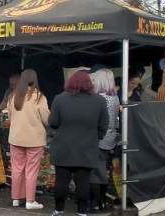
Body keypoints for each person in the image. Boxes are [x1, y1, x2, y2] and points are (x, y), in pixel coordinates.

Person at [48, 71, 109, 216]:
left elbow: (53, 122)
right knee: (83, 183)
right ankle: (82, 212)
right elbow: (104, 125)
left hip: (63, 147)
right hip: (87, 147)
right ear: (89, 83)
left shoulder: (60, 99)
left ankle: (58, 210)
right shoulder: (99, 101)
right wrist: (96, 137)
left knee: (61, 181)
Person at [7, 69, 49, 210]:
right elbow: (47, 119)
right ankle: (30, 201)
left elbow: (10, 117)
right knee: (31, 171)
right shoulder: (39, 97)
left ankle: (15, 199)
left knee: (17, 169)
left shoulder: (13, 96)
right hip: (35, 140)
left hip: (16, 138)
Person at [89, 68, 120, 212]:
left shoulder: (99, 98)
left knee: (96, 171)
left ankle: (96, 202)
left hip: (99, 137)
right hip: (110, 137)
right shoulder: (115, 97)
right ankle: (101, 201)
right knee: (103, 170)